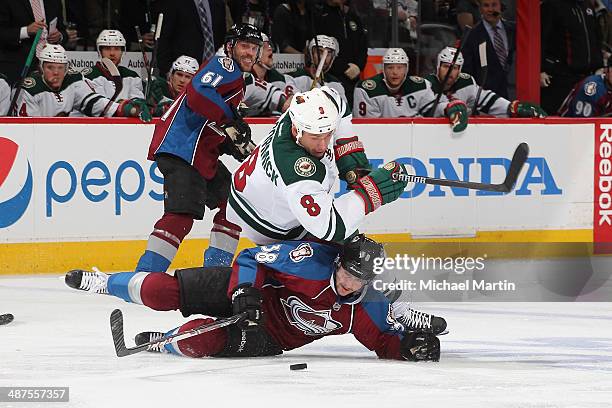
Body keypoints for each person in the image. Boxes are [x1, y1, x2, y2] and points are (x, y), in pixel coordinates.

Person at [64, 235, 445, 361]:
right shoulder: (309, 261)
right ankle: (104, 282)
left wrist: (409, 348)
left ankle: (159, 344)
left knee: (201, 336)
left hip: (269, 337)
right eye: (345, 273)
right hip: (246, 289)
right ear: (339, 262)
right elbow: (250, 257)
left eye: (357, 280)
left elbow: (381, 340)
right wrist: (245, 291)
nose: (347, 284)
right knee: (164, 290)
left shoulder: (365, 308)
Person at [137, 23, 263, 273]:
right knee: (181, 216)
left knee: (235, 204)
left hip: (200, 154)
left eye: (254, 48)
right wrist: (229, 118)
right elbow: (198, 94)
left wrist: (230, 141)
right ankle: (144, 277)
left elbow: (210, 117)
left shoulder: (236, 79)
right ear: (230, 47)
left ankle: (215, 273)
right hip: (184, 149)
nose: (250, 52)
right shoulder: (226, 65)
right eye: (244, 46)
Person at [227, 85, 408, 245]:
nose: (322, 145)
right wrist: (372, 192)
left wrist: (348, 153)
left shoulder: (298, 114)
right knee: (346, 255)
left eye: (327, 135)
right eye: (315, 137)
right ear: (296, 130)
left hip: (252, 190)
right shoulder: (297, 170)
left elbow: (337, 101)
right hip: (265, 226)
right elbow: (329, 227)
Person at [13, 44, 151, 120]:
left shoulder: (74, 80)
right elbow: (30, 128)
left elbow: (95, 104)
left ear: (67, 68)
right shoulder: (29, 88)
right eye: (50, 67)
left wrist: (127, 109)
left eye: (60, 68)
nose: (56, 72)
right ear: (41, 68)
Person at [352, 48, 469, 133]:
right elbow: (367, 129)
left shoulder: (420, 85)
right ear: (383, 69)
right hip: (382, 142)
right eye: (390, 67)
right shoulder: (367, 89)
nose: (395, 72)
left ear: (406, 69)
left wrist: (448, 108)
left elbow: (431, 110)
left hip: (416, 140)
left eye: (400, 67)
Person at [425, 46, 546, 118]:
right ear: (438, 67)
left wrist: (512, 107)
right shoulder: (427, 85)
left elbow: (487, 100)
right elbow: (428, 111)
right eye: (446, 67)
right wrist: (447, 109)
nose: (450, 72)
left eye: (455, 68)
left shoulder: (466, 83)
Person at [540, 0, 604, 114]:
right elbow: (540, 39)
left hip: (587, 78)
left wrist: (599, 65)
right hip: (559, 78)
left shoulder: (587, 6)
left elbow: (596, 39)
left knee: (584, 120)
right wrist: (540, 69)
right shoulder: (551, 6)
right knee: (556, 117)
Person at [312, 0, 368, 106]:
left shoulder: (353, 16)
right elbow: (318, 50)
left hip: (354, 77)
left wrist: (358, 67)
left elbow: (363, 45)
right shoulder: (319, 15)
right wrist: (344, 68)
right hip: (331, 77)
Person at [0, 0, 68, 85]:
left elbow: (62, 30)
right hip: (17, 65)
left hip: (51, 65)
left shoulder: (54, 2)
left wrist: (60, 36)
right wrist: (26, 31)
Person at [154, 0, 228, 77]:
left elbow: (221, 38)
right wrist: (168, 71)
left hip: (215, 72)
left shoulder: (218, 3)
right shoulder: (172, 3)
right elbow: (163, 39)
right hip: (184, 72)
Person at [461, 0, 516, 99]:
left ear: (501, 7)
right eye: (486, 6)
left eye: (494, 5)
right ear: (480, 9)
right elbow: (467, 71)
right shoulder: (472, 36)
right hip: (487, 97)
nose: (490, 10)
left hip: (515, 93)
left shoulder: (515, 30)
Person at [80, 30, 145, 105]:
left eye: (117, 49)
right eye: (107, 49)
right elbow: (96, 106)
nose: (112, 53)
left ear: (122, 52)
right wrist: (122, 108)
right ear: (100, 51)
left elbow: (138, 101)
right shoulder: (89, 75)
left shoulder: (132, 75)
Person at [283, 35, 347, 101]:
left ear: (333, 58)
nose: (323, 57)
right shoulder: (294, 77)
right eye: (319, 52)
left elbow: (344, 110)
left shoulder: (336, 84)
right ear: (311, 54)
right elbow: (293, 104)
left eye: (328, 54)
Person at [243, 33, 288, 116]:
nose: (270, 49)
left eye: (269, 45)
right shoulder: (244, 77)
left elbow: (284, 102)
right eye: (264, 46)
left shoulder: (277, 77)